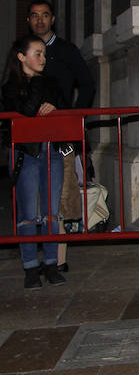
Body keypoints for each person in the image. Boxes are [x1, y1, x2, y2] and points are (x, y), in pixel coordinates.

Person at [27, 0, 96, 272]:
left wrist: (73, 116)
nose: (40, 20)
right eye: (34, 16)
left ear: (52, 19)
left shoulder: (66, 50)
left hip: (61, 136)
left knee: (62, 193)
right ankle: (36, 258)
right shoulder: (22, 50)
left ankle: (58, 259)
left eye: (45, 15)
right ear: (28, 21)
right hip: (31, 138)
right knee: (34, 196)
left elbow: (87, 84)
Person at [1, 35, 69, 288]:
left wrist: (55, 106)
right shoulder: (11, 86)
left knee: (51, 213)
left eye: (43, 54)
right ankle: (30, 267)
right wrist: (39, 86)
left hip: (51, 150)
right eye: (37, 53)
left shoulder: (50, 82)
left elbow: (65, 108)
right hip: (26, 154)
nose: (43, 58)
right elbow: (28, 109)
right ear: (22, 57)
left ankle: (51, 264)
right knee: (28, 213)